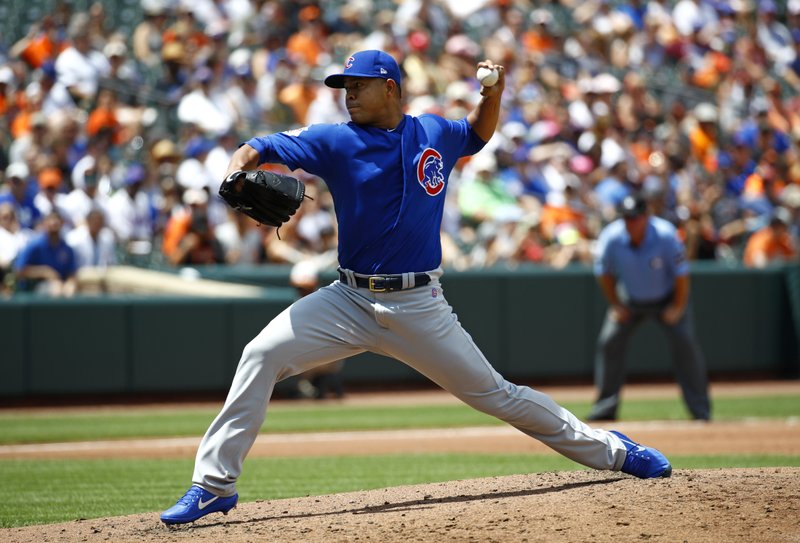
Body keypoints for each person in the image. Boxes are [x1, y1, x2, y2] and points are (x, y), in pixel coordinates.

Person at [160, 50, 672, 526]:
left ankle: (616, 452)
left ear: (391, 88)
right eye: (345, 86)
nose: (349, 94)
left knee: (499, 396)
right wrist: (234, 172)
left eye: (359, 85)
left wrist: (491, 96)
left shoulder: (433, 132)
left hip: (419, 303)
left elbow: (477, 133)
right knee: (260, 354)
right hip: (349, 299)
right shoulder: (336, 140)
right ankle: (214, 485)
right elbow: (262, 145)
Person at [588, 193, 711, 422]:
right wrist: (615, 304)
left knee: (686, 345)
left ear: (646, 216)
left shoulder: (665, 234)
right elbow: (603, 273)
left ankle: (701, 411)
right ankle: (604, 409)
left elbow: (682, 276)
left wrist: (677, 307)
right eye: (626, 218)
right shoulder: (612, 236)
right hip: (630, 299)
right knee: (609, 341)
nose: (631, 222)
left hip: (667, 298)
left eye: (635, 217)